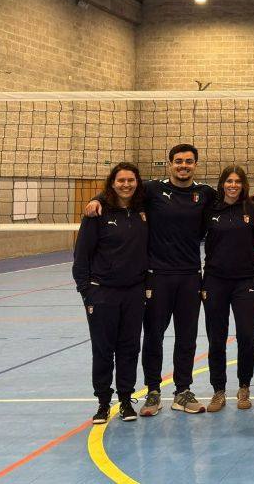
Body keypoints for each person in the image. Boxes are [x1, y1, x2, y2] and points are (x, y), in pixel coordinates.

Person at [87, 143, 216, 416]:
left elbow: (233, 199)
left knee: (187, 337)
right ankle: (153, 391)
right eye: (178, 161)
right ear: (170, 164)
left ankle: (183, 391)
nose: (183, 166)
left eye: (189, 161)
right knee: (154, 336)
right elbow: (121, 189)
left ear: (195, 164)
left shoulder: (205, 193)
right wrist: (97, 198)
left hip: (190, 276)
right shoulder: (153, 189)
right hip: (157, 277)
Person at [73, 162, 148, 423]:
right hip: (102, 293)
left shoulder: (143, 209)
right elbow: (81, 256)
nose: (126, 185)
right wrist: (86, 292)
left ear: (137, 182)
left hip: (134, 292)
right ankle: (103, 403)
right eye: (121, 180)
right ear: (112, 183)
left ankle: (126, 400)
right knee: (103, 350)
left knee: (129, 348)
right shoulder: (97, 213)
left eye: (131, 180)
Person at [201, 165, 254, 412]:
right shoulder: (210, 208)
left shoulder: (253, 209)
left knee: (247, 335)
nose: (233, 185)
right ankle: (218, 390)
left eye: (238, 181)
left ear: (243, 185)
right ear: (222, 184)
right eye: (229, 181)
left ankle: (244, 386)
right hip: (215, 280)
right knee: (216, 337)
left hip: (244, 281)